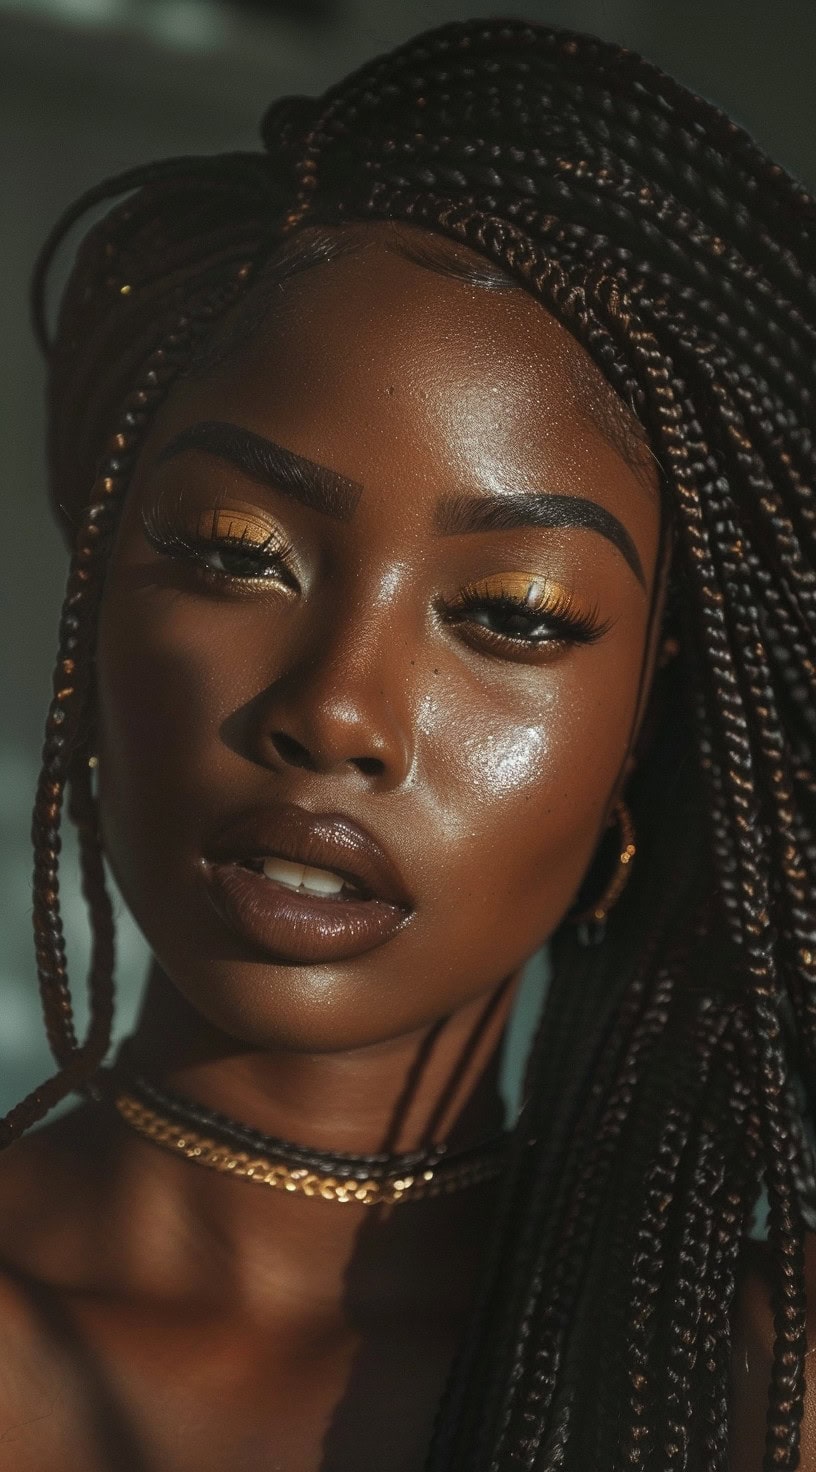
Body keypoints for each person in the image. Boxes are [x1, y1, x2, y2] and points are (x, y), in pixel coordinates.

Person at [0, 15, 814, 1470]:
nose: (335, 710)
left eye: (513, 614)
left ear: (649, 724)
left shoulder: (750, 1412)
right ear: (98, 598)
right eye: (237, 552)